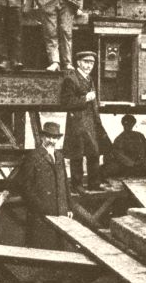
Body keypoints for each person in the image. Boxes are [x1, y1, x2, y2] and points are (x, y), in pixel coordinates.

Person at [12, 122, 73, 250]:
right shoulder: (33, 156)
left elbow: (65, 183)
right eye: (49, 137)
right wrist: (39, 207)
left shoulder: (59, 156)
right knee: (42, 246)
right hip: (41, 213)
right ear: (42, 137)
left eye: (55, 137)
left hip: (60, 210)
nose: (52, 141)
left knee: (60, 246)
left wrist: (69, 207)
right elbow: (25, 186)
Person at [62, 51, 103, 191]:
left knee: (94, 153)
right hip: (77, 123)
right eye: (86, 62)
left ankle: (94, 184)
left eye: (92, 63)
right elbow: (66, 103)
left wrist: (97, 120)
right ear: (78, 63)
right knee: (77, 154)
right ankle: (77, 185)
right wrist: (85, 98)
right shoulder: (71, 79)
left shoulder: (89, 79)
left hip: (90, 122)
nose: (89, 65)